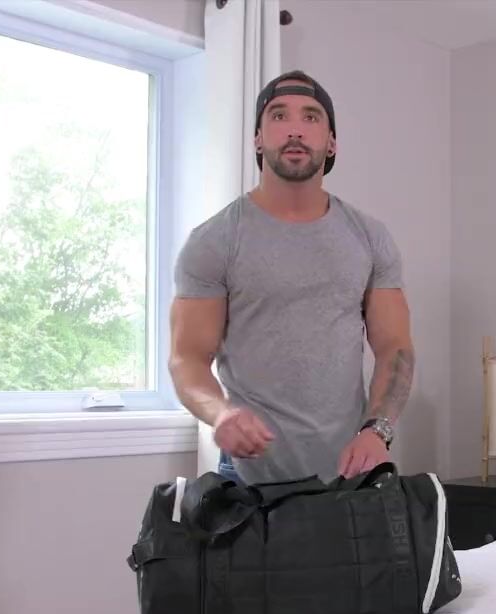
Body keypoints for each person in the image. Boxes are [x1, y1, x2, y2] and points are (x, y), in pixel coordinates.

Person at [168, 70, 414, 485]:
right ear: (257, 139)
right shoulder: (214, 241)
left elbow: (395, 348)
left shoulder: (369, 237)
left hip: (350, 473)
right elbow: (187, 358)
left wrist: (378, 430)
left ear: (331, 142)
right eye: (279, 116)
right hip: (247, 477)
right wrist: (220, 413)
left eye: (311, 117)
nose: (295, 130)